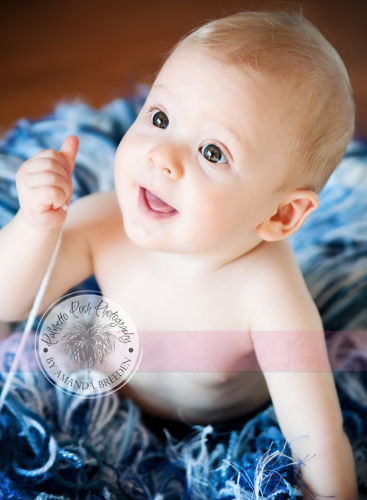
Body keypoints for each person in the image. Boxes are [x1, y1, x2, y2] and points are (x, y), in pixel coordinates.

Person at [0, 10, 358, 499]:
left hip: (219, 428)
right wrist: (34, 225)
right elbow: (7, 303)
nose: (161, 157)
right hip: (106, 397)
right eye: (161, 118)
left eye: (213, 152)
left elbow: (315, 436)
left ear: (281, 215)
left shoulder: (269, 296)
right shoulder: (103, 221)